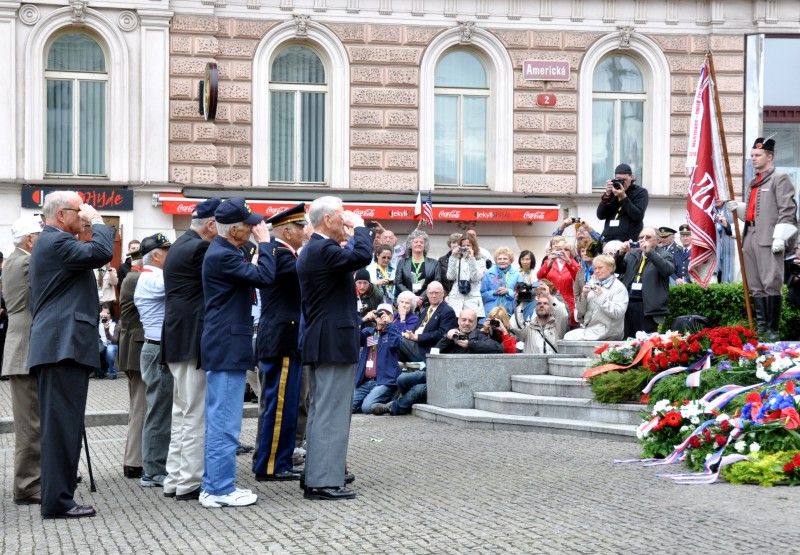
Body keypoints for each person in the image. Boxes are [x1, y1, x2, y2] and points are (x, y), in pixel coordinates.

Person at [28, 190, 114, 519]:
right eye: (78, 213)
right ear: (62, 215)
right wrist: (99, 221)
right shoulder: (56, 242)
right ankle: (58, 502)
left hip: (60, 345)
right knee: (61, 428)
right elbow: (101, 251)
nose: (83, 217)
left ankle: (58, 497)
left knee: (63, 426)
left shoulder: (54, 242)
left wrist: (89, 221)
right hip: (62, 346)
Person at [296, 196, 374, 501]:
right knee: (331, 412)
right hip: (332, 340)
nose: (346, 223)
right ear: (328, 220)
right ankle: (324, 480)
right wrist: (361, 228)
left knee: (321, 410)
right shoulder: (322, 248)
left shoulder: (316, 248)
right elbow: (362, 256)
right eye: (342, 218)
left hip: (323, 339)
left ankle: (317, 472)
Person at [200, 197, 274, 508]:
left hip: (224, 343)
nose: (253, 228)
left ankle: (215, 485)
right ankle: (219, 489)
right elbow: (265, 277)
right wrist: (266, 244)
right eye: (247, 225)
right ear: (234, 231)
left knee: (222, 417)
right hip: (226, 344)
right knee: (225, 421)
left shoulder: (226, 250)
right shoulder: (222, 255)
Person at [161, 197, 220, 501]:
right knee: (193, 413)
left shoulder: (180, 245)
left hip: (177, 339)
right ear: (212, 225)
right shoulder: (200, 247)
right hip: (190, 339)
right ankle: (189, 482)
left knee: (183, 412)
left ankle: (175, 478)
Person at [253, 203, 306, 483]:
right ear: (287, 230)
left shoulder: (282, 253)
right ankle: (271, 464)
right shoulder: (280, 254)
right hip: (282, 337)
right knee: (279, 405)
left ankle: (279, 459)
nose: (304, 231)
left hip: (286, 336)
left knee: (285, 404)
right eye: (300, 227)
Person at [727, 137, 798, 340]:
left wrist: (781, 237)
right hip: (750, 237)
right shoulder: (754, 182)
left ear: (770, 156)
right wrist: (739, 209)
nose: (753, 159)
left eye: (757, 155)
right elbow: (754, 212)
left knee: (770, 283)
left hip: (770, 239)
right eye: (752, 155)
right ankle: (761, 329)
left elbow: (788, 210)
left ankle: (772, 332)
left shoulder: (780, 178)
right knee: (755, 284)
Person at [2, 216, 42, 505]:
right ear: (30, 240)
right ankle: (27, 486)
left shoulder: (16, 261)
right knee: (30, 424)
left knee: (32, 421)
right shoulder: (26, 263)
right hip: (25, 346)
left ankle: (33, 480)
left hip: (23, 344)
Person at [134, 233, 173, 488]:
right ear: (157, 255)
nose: (172, 256)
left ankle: (157, 466)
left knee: (163, 409)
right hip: (158, 350)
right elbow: (179, 287)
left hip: (159, 349)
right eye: (167, 251)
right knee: (159, 411)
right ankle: (153, 469)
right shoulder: (152, 277)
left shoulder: (152, 276)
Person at [116, 244, 146, 480]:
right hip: (137, 347)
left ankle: (134, 458)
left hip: (131, 346)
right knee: (141, 406)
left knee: (138, 405)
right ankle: (135, 461)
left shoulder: (131, 278)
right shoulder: (137, 279)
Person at [615, 227, 675, 338]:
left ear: (657, 240)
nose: (644, 239)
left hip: (648, 308)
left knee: (646, 343)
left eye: (648, 237)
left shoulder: (664, 255)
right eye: (641, 237)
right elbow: (618, 269)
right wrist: (620, 254)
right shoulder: (632, 254)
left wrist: (650, 253)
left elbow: (667, 270)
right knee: (628, 340)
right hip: (629, 304)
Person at [564, 255, 628, 341]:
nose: (597, 271)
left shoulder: (619, 288)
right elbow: (581, 311)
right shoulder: (592, 283)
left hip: (608, 332)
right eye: (595, 268)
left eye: (600, 268)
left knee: (569, 337)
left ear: (610, 268)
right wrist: (584, 295)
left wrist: (601, 297)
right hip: (591, 328)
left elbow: (617, 313)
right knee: (568, 336)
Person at [352, 304, 402, 414]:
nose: (381, 316)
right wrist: (363, 319)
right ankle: (376, 403)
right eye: (379, 313)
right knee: (348, 407)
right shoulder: (370, 332)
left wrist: (389, 324)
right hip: (367, 381)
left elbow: (397, 344)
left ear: (391, 317)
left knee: (366, 407)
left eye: (385, 314)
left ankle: (387, 405)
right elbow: (352, 338)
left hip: (384, 381)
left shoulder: (392, 332)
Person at [398, 281, 457, 363]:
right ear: (427, 294)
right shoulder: (426, 309)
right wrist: (409, 334)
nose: (433, 295)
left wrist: (417, 337)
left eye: (437, 293)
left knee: (395, 339)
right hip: (414, 344)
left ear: (443, 294)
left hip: (426, 350)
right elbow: (418, 329)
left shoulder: (447, 311)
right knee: (390, 340)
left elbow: (442, 334)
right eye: (431, 293)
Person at [596, 163, 649, 242]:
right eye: (618, 180)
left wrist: (623, 197)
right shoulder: (612, 191)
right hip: (609, 240)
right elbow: (600, 215)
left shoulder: (640, 192)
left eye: (624, 180)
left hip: (629, 241)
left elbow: (638, 216)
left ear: (631, 177)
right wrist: (607, 195)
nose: (622, 183)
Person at [510, 287, 569, 354]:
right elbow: (516, 327)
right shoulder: (529, 328)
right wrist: (521, 304)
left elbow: (562, 313)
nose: (542, 305)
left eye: (545, 303)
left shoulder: (557, 327)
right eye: (539, 303)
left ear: (551, 308)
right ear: (535, 308)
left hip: (552, 363)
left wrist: (548, 296)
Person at [537, 237, 579, 327]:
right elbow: (539, 277)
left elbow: (579, 277)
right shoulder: (549, 261)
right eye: (559, 249)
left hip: (569, 302)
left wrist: (569, 261)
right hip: (552, 300)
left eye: (565, 249)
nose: (562, 252)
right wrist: (550, 262)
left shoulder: (573, 263)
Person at [394, 229, 439, 308]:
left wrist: (422, 298)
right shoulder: (402, 262)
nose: (418, 244)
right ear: (410, 245)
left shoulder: (434, 263)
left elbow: (436, 282)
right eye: (416, 242)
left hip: (427, 303)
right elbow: (398, 283)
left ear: (425, 245)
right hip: (407, 303)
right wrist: (413, 298)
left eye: (421, 242)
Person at [446, 233, 487, 318]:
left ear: (473, 246)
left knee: (470, 324)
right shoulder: (456, 259)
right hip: (456, 298)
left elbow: (476, 278)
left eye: (468, 245)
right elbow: (450, 276)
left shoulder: (480, 260)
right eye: (463, 245)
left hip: (472, 298)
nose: (465, 248)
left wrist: (472, 259)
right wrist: (453, 256)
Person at [481, 247, 520, 316]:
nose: (502, 261)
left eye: (505, 259)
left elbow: (520, 294)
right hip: (490, 312)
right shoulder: (488, 273)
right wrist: (494, 292)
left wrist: (508, 291)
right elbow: (482, 295)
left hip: (509, 312)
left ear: (510, 260)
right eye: (499, 259)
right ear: (496, 260)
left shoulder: (517, 275)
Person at [97, 303, 118, 379]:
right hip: (101, 346)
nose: (106, 316)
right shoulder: (97, 322)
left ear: (111, 313)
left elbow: (115, 340)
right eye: (104, 313)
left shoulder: (115, 323)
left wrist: (107, 331)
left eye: (108, 313)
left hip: (111, 345)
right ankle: (99, 371)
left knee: (110, 349)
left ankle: (111, 371)